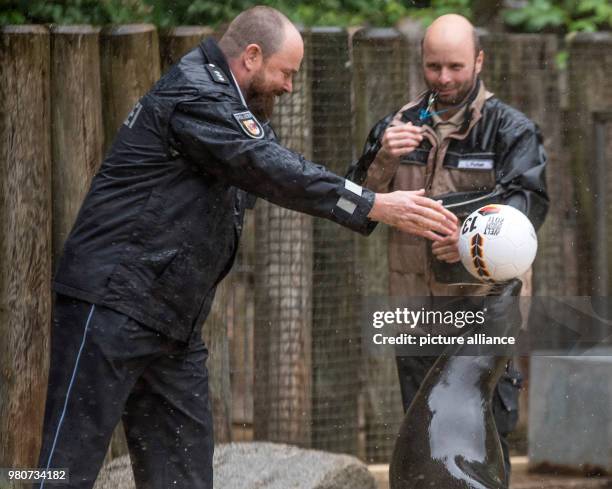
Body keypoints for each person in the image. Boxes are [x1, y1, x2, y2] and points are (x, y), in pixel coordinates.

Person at [34, 6, 458, 489]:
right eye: (286, 73)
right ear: (252, 56)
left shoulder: (232, 108)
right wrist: (372, 204)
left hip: (172, 322)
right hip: (110, 304)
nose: (290, 87)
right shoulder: (196, 94)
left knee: (185, 477)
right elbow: (272, 169)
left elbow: (282, 172)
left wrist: (376, 169)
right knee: (63, 467)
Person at [347, 13, 548, 483]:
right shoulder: (396, 127)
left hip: (481, 316)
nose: (444, 78)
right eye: (433, 66)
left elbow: (526, 208)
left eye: (455, 66)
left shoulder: (510, 129)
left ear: (479, 60)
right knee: (426, 446)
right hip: (417, 315)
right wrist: (384, 156)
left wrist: (464, 242)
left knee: (484, 441)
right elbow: (353, 204)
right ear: (421, 62)